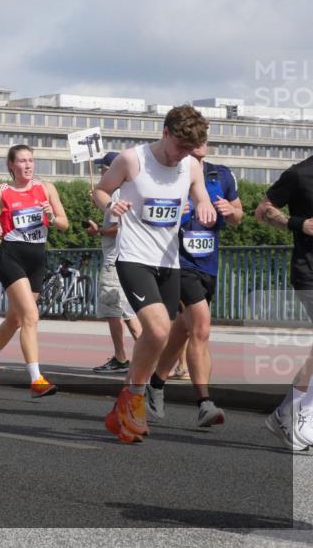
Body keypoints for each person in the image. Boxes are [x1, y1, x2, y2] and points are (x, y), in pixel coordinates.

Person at [93, 105, 215, 444]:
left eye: (190, 150)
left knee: (161, 335)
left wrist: (203, 203)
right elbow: (100, 190)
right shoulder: (132, 160)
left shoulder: (190, 164)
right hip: (133, 257)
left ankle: (125, 401)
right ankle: (134, 401)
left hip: (169, 262)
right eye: (179, 146)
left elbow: (199, 190)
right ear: (165, 133)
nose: (182, 155)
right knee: (159, 330)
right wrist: (110, 205)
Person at [144, 141, 241, 427]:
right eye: (194, 137)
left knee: (184, 329)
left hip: (208, 264)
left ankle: (157, 382)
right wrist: (176, 210)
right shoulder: (169, 174)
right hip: (177, 263)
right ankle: (204, 403)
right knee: (201, 326)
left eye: (204, 137)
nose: (200, 142)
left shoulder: (222, 175)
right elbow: (147, 215)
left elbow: (239, 215)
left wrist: (229, 211)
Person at [0, 145, 69, 397]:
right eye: (22, 161)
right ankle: (36, 379)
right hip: (11, 257)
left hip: (37, 259)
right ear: (11, 166)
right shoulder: (1, 192)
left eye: (31, 160)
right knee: (30, 317)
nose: (28, 165)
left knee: (16, 319)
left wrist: (52, 215)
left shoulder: (46, 189)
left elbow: (64, 223)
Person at [255, 153, 313, 452]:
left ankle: (288, 411)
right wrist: (297, 223)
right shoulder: (299, 175)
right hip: (309, 272)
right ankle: (293, 413)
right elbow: (262, 211)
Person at [88, 152, 142, 374]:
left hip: (115, 257)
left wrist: (98, 230)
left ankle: (121, 358)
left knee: (113, 308)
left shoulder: (117, 192)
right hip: (128, 256)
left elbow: (119, 228)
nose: (101, 172)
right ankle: (148, 356)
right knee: (127, 311)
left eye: (104, 168)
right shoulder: (126, 191)